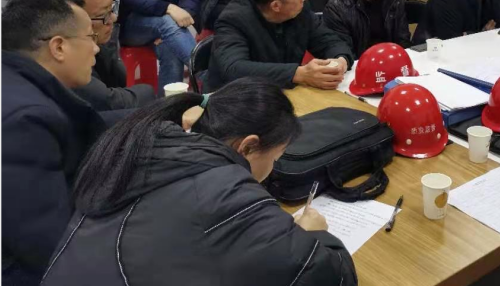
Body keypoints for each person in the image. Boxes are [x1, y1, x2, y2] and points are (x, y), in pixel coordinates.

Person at [40, 78, 357, 286]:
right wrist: (317, 234)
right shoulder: (226, 194)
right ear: (247, 146)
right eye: (275, 158)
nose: (273, 169)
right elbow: (333, 276)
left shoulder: (152, 145)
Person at [2, 0, 104, 285]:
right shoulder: (25, 122)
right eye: (90, 37)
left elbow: (81, 125)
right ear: (58, 46)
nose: (97, 48)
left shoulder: (17, 84)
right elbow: (49, 248)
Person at [206, 0, 354, 91]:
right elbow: (234, 69)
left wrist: (340, 60)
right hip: (235, 99)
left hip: (282, 93)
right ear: (276, 6)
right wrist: (298, 74)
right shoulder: (233, 20)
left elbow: (328, 40)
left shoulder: (300, 8)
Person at [38, 0, 156, 111]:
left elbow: (118, 85)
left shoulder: (98, 40)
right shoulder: (59, 59)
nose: (113, 18)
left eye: (112, 8)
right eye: (103, 14)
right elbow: (109, 102)